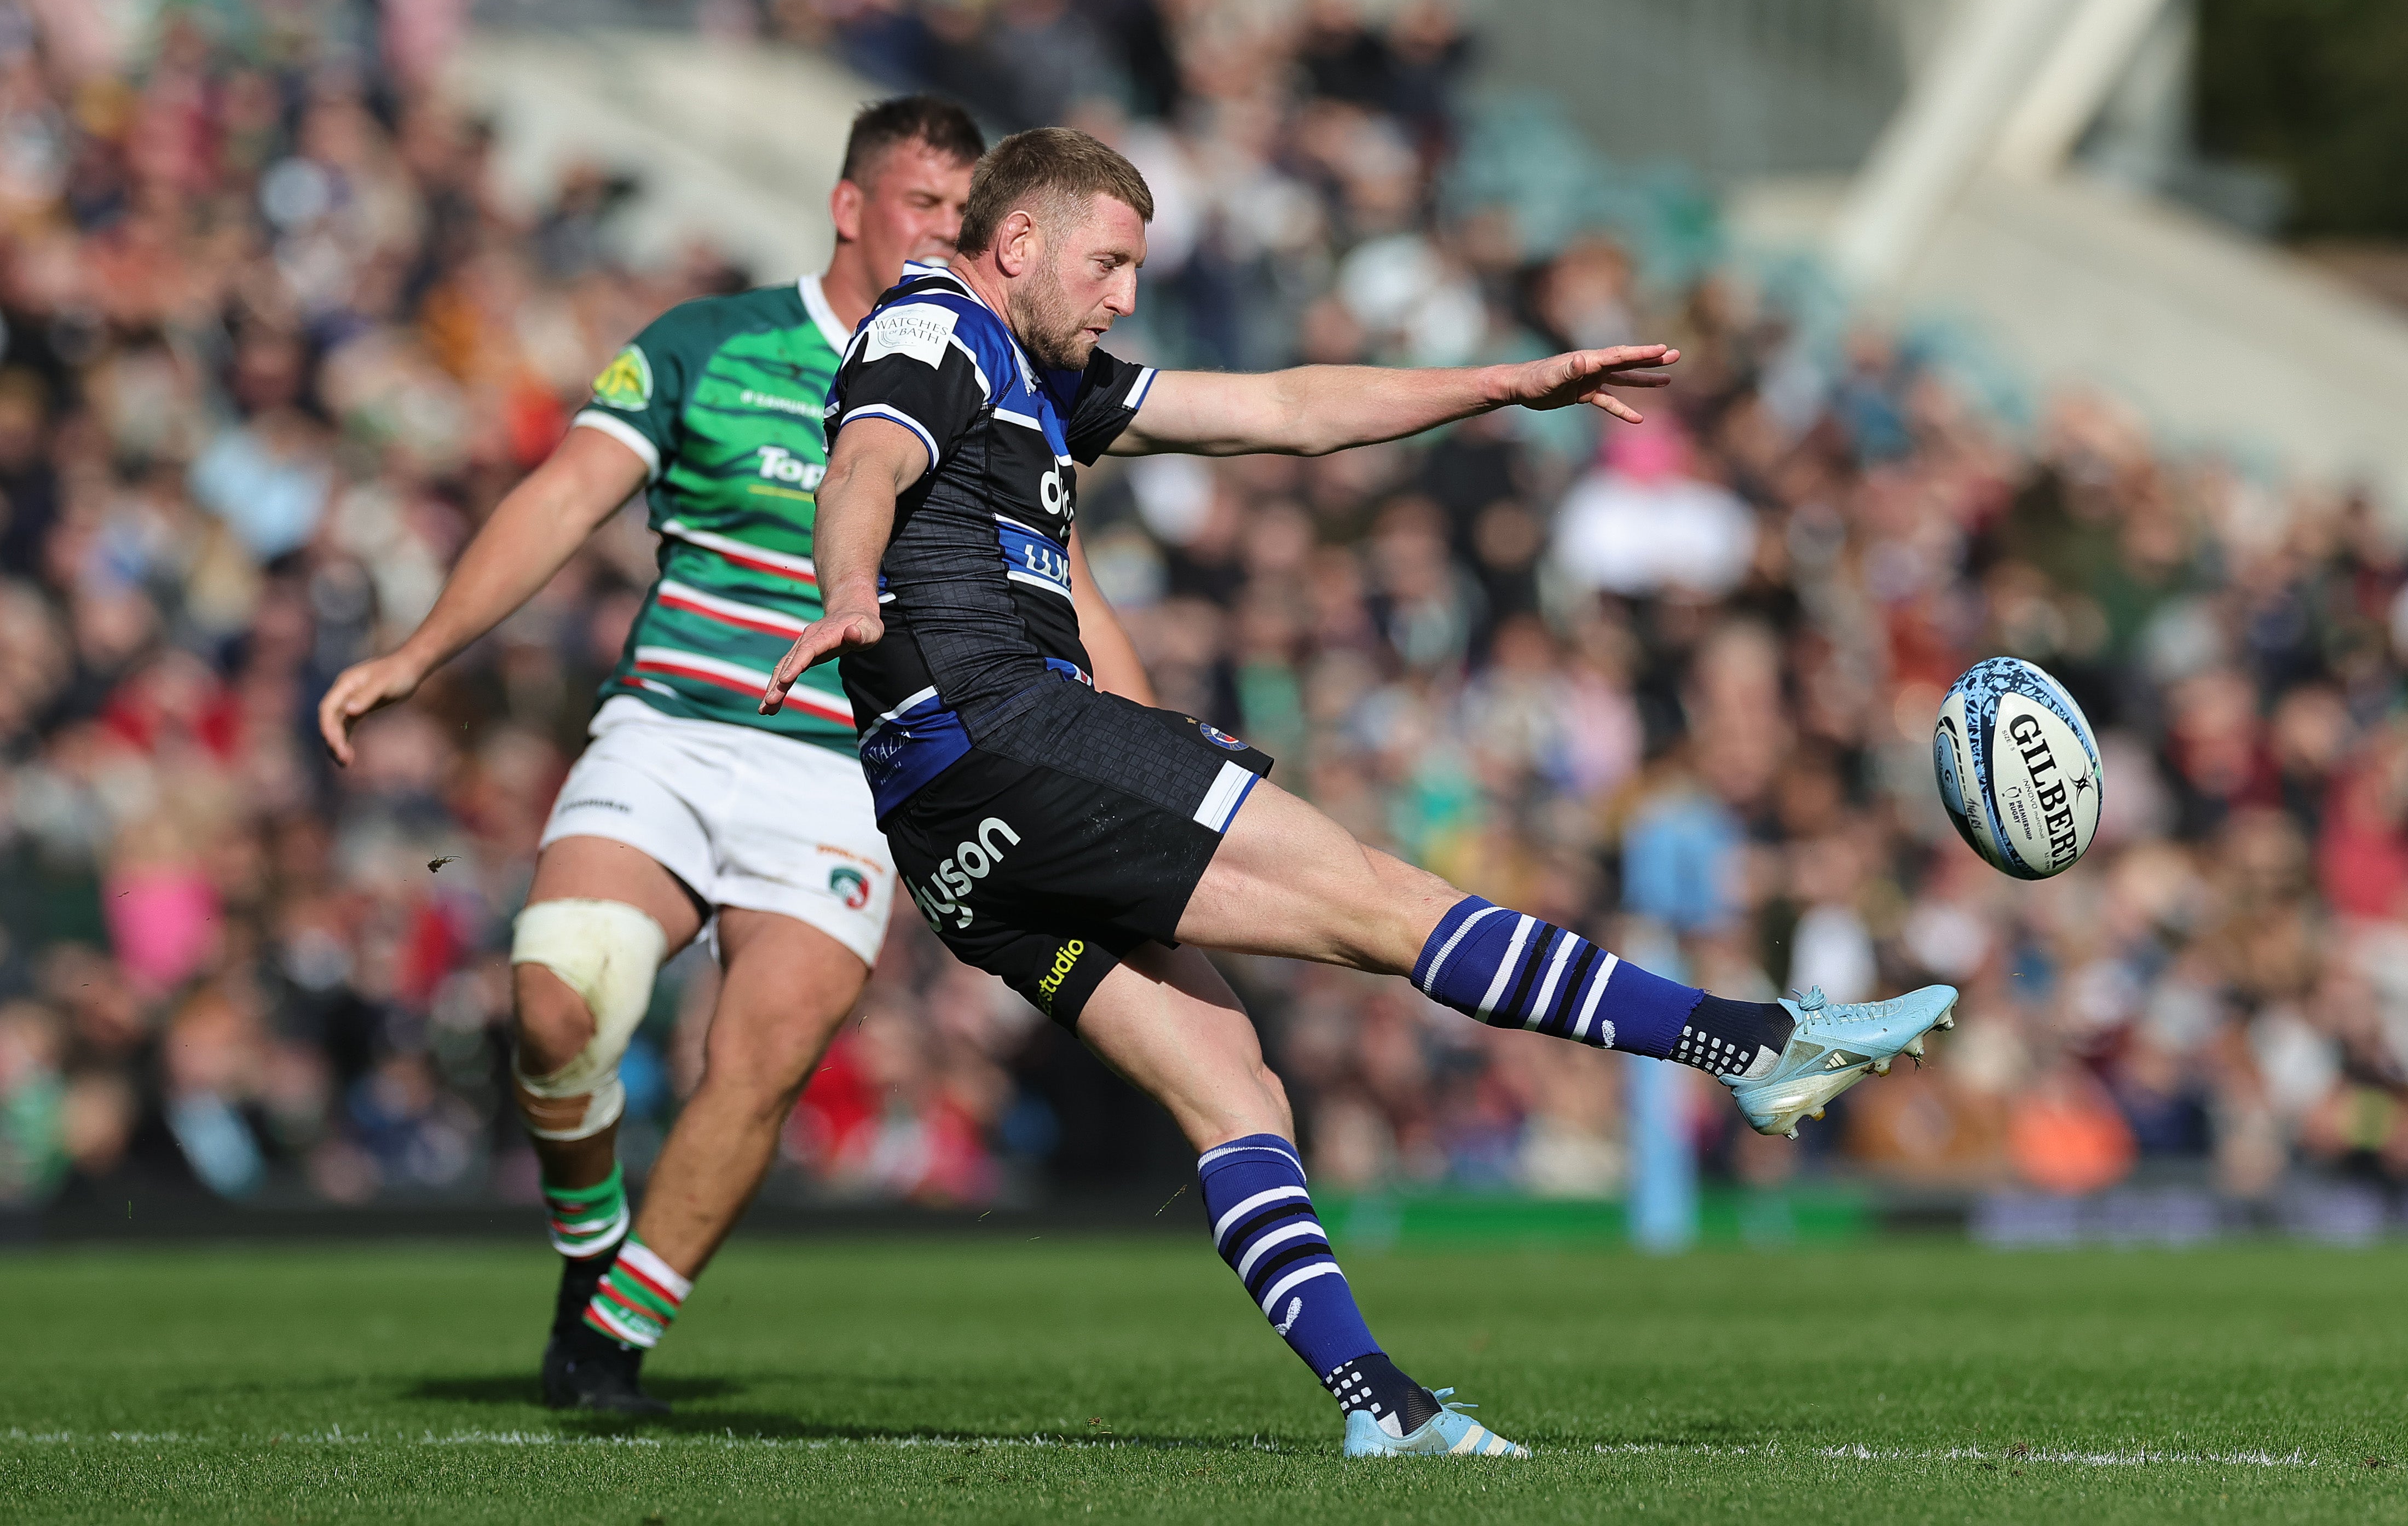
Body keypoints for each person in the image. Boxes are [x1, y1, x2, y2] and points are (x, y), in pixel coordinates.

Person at [763, 126, 1959, 1459]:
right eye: (1107, 264)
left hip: (946, 829)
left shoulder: (1045, 379)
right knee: (1387, 905)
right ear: (1019, 242)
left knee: (1235, 1087)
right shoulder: (933, 326)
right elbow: (865, 459)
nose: (1124, 295)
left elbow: (1282, 411)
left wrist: (1506, 383)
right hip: (1010, 732)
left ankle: (1383, 1410)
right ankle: (1748, 1040)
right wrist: (848, 588)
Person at [317, 96, 985, 1413]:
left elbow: (1058, 569)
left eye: (966, 219)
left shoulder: (979, 377)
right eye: (924, 205)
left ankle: (611, 1339)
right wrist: (421, 650)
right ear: (850, 206)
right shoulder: (708, 341)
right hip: (672, 729)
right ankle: (586, 1246)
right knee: (558, 997)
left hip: (843, 770)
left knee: (762, 1059)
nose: (945, 236)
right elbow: (565, 492)